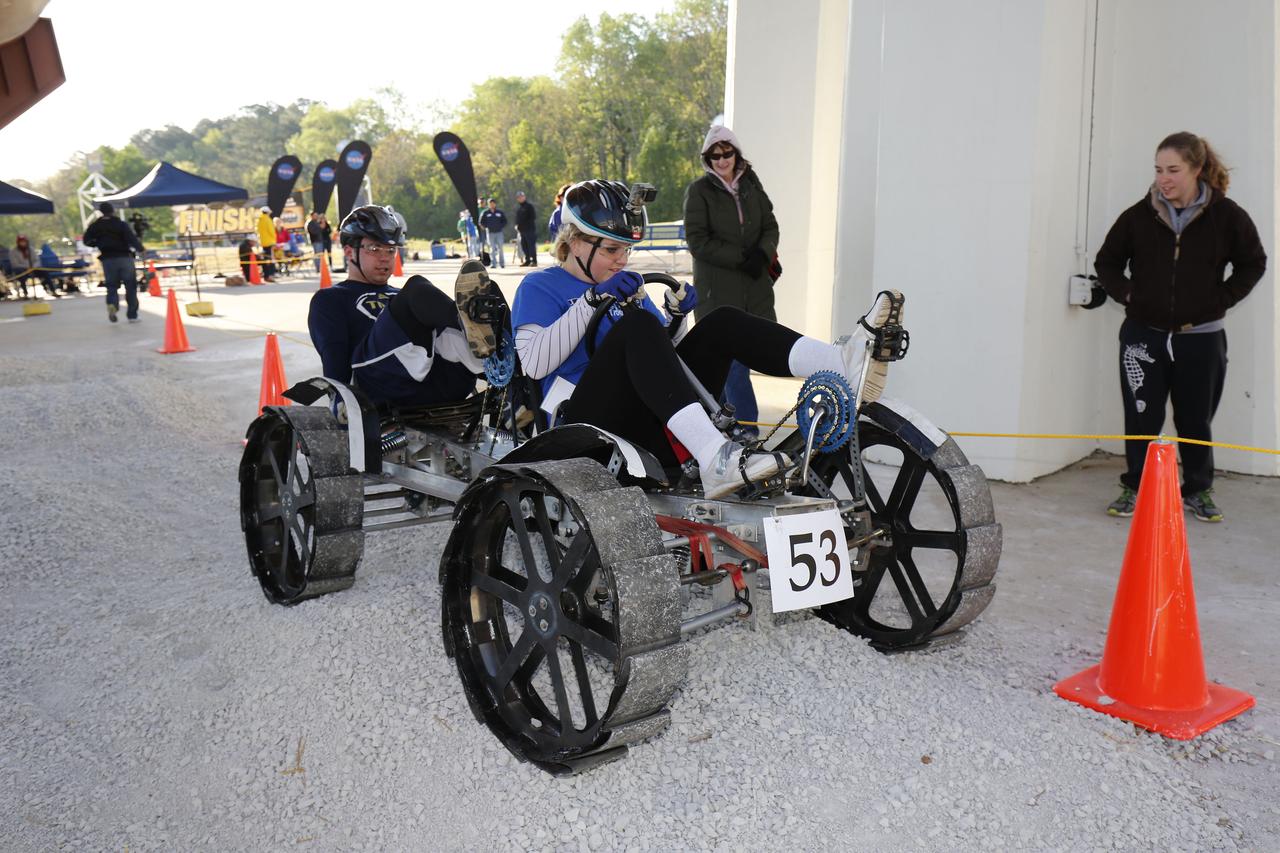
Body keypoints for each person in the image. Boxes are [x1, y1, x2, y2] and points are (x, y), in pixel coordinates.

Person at [512, 179, 901, 500]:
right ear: (575, 241)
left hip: (643, 423)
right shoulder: (540, 286)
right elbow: (533, 363)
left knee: (721, 322)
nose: (622, 260)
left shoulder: (625, 285)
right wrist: (591, 301)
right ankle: (715, 457)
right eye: (612, 249)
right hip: (583, 431)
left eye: (627, 249)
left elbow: (663, 358)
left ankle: (841, 363)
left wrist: (676, 318)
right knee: (637, 326)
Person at [1095, 131, 1266, 523]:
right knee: (1142, 417)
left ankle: (1198, 489)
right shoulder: (1138, 216)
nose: (1163, 179)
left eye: (1172, 170)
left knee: (1195, 420)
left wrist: (1220, 300)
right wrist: (1129, 294)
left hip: (1201, 339)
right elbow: (1107, 262)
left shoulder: (1227, 216)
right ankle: (1136, 486)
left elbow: (1253, 262)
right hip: (1143, 336)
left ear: (1197, 169)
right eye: (1158, 170)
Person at [307, 204, 503, 407]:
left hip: (436, 380)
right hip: (379, 383)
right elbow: (334, 357)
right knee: (418, 287)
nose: (385, 257)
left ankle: (508, 371)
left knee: (487, 294)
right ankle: (466, 324)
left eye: (391, 250)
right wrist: (340, 402)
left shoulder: (402, 296)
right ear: (349, 252)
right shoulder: (330, 298)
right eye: (374, 249)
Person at [683, 125, 779, 440]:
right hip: (719, 293)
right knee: (734, 362)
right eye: (715, 156)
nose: (722, 160)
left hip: (754, 288)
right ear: (707, 159)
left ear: (736, 154)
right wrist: (741, 258)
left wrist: (762, 254)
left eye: (727, 153)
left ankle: (720, 426)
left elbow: (770, 225)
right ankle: (746, 430)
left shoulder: (751, 184)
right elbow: (697, 241)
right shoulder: (699, 191)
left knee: (740, 360)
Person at [83, 202, 146, 323]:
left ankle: (112, 305)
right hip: (124, 257)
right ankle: (132, 315)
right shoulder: (120, 224)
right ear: (113, 211)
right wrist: (141, 249)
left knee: (111, 286)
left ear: (101, 212)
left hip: (108, 259)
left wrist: (98, 243)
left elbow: (86, 241)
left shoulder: (95, 226)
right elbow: (131, 238)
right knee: (130, 286)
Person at [479, 197, 508, 269]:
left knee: (500, 248)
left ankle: (502, 263)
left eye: (493, 203)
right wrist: (485, 227)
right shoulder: (485, 212)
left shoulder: (499, 212)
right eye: (490, 203)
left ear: (495, 204)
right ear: (488, 204)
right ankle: (493, 263)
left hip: (499, 233)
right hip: (490, 233)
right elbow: (481, 222)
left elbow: (505, 221)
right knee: (492, 248)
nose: (492, 205)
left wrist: (500, 226)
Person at [514, 190, 538, 267]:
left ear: (524, 197)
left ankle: (534, 261)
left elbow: (533, 217)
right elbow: (517, 219)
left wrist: (524, 224)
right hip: (522, 231)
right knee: (524, 246)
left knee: (531, 246)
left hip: (529, 229)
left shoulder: (529, 206)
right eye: (519, 197)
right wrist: (517, 225)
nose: (520, 198)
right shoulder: (519, 208)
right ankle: (527, 260)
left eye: (521, 196)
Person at [255, 207, 277, 281]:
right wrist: (274, 240)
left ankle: (266, 275)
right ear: (267, 212)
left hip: (263, 243)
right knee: (270, 259)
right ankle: (270, 275)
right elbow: (271, 231)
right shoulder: (268, 219)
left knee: (265, 259)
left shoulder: (259, 220)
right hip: (270, 242)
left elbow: (257, 231)